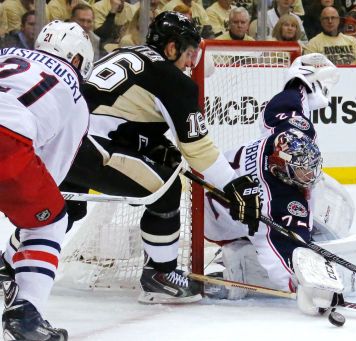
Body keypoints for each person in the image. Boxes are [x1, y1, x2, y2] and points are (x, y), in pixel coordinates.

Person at [56, 11, 258, 305]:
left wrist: (147, 142)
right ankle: (160, 275)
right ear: (172, 47)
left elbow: (108, 109)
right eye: (189, 53)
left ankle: (9, 263)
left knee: (64, 207)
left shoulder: (127, 54)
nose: (191, 63)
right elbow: (198, 150)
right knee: (165, 187)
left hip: (58, 142)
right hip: (91, 148)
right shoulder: (171, 78)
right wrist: (233, 184)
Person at [203, 53, 351, 315]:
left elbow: (287, 107)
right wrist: (304, 286)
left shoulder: (281, 137)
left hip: (213, 187)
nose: (309, 174)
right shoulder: (278, 202)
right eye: (302, 171)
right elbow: (279, 254)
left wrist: (301, 84)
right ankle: (237, 260)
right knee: (293, 232)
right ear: (283, 171)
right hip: (214, 223)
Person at [0, 20, 93, 340]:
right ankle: (26, 314)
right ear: (78, 59)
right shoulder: (73, 90)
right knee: (49, 219)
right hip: (6, 139)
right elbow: (50, 175)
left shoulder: (7, 53)